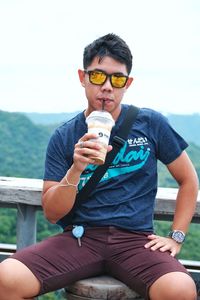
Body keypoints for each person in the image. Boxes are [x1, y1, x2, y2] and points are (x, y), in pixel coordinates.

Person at [0, 33, 199, 300]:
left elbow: (188, 180)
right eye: (97, 76)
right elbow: (52, 211)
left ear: (127, 83)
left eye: (117, 78)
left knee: (181, 289)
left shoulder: (150, 123)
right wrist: (76, 167)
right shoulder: (65, 135)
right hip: (81, 238)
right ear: (82, 78)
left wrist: (176, 237)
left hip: (136, 240)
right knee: (7, 278)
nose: (107, 86)